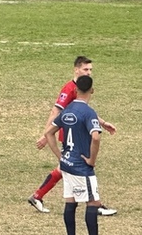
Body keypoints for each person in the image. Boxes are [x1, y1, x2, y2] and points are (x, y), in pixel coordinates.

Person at [28, 56, 117, 216]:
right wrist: (45, 135)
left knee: (65, 168)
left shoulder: (82, 87)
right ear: (76, 70)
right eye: (85, 69)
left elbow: (84, 112)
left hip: (78, 133)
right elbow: (56, 111)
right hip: (70, 135)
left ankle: (38, 196)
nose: (89, 73)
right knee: (83, 165)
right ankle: (95, 204)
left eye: (90, 70)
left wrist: (103, 123)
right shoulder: (69, 89)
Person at [43, 75, 103, 235]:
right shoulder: (89, 113)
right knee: (93, 202)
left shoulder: (68, 110)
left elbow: (49, 133)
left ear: (76, 90)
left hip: (67, 164)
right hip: (82, 167)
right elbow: (96, 137)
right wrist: (91, 160)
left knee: (71, 201)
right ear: (92, 90)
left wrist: (60, 156)